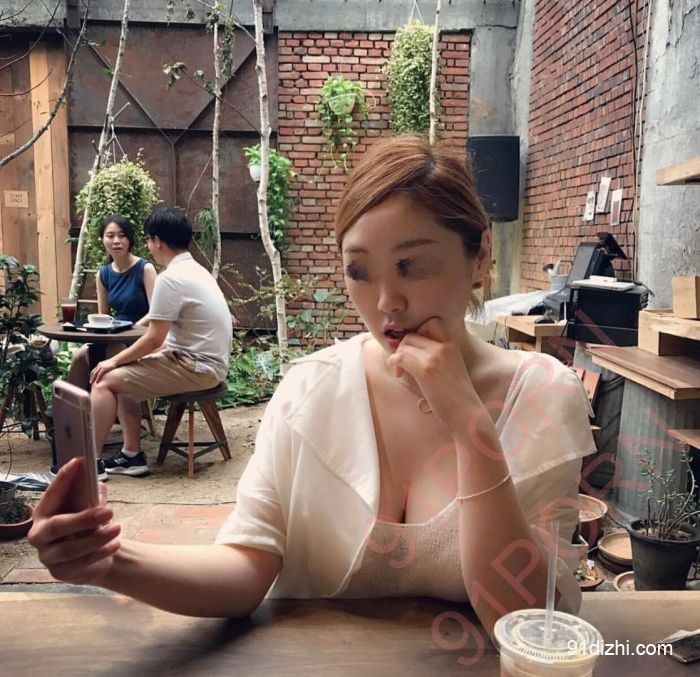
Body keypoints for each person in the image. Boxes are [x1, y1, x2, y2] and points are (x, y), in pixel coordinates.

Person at [28, 137, 594, 638]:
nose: (386, 303)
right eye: (359, 272)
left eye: (411, 266)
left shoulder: (542, 394)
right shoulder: (311, 388)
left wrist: (471, 429)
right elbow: (246, 565)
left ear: (480, 257)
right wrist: (110, 562)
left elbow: (521, 618)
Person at [88, 206, 233, 477]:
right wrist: (124, 359)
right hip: (204, 362)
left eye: (148, 239)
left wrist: (112, 361)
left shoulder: (170, 278)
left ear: (157, 241)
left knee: (104, 379)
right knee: (123, 374)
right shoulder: (196, 270)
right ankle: (131, 455)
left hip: (196, 367)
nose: (148, 246)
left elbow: (155, 339)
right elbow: (161, 335)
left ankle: (90, 465)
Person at [65, 215, 156, 478]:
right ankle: (74, 436)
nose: (116, 241)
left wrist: (129, 327)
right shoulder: (103, 274)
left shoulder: (145, 269)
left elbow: (157, 311)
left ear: (130, 239)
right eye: (110, 236)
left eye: (121, 235)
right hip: (114, 336)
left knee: (113, 367)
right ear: (102, 240)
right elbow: (104, 314)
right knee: (79, 358)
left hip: (141, 337)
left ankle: (129, 451)